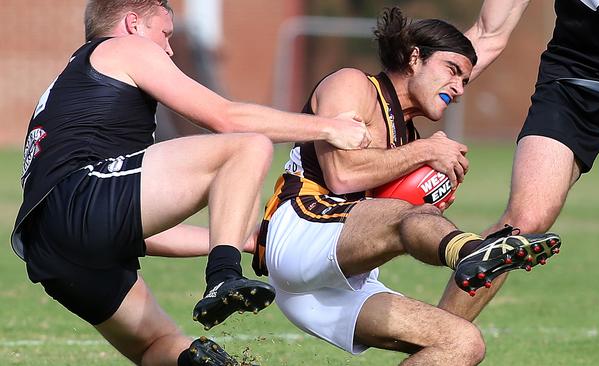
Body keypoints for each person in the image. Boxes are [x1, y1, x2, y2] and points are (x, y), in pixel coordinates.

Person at [11, 1, 372, 365]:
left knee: (158, 346)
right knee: (248, 146)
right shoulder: (123, 48)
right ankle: (222, 275)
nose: (169, 48)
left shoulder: (73, 90)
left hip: (51, 250)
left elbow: (130, 227)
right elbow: (226, 118)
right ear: (133, 23)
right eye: (165, 34)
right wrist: (329, 128)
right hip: (81, 200)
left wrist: (243, 240)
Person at [251, 7, 561, 365]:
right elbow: (341, 175)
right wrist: (426, 151)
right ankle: (471, 250)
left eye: (465, 81)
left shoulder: (407, 134)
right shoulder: (353, 85)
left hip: (339, 280)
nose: (459, 89)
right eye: (453, 72)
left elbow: (490, 36)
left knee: (462, 343)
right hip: (298, 235)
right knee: (410, 215)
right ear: (415, 57)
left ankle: (473, 252)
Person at [435, 0, 599, 322]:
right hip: (570, 87)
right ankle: (438, 338)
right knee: (522, 222)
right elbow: (486, 33)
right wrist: (413, 97)